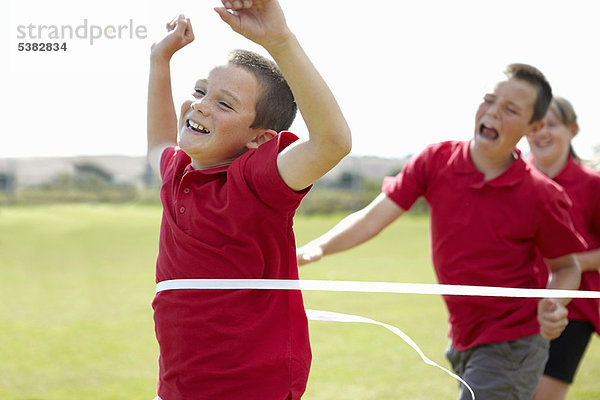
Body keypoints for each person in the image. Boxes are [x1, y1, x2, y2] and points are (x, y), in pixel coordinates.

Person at [297, 64, 585, 400]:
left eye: (509, 109)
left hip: (513, 340)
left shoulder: (542, 195)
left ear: (533, 127)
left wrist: (554, 301)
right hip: (463, 336)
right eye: (489, 100)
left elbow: (567, 267)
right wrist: (316, 248)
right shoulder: (436, 161)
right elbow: (372, 219)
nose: (492, 112)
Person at [147, 1, 352, 399]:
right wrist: (160, 60)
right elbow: (158, 141)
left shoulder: (258, 182)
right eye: (200, 91)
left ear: (259, 139)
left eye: (224, 103)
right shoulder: (178, 172)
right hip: (178, 389)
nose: (201, 105)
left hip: (253, 390)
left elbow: (332, 143)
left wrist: (280, 41)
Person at [527, 97, 600, 400]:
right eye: (535, 125)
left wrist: (569, 264)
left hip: (570, 310)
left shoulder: (592, 185)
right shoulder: (512, 180)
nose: (542, 132)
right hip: (515, 306)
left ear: (573, 130)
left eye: (552, 124)